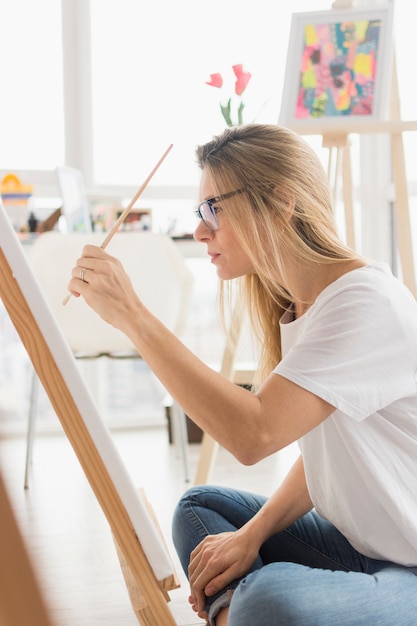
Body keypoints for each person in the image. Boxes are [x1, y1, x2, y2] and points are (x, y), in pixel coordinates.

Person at [68, 124, 417, 625]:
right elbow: (329, 457)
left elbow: (253, 435)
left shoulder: (364, 303)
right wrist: (250, 535)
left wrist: (133, 317)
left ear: (281, 203)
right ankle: (238, 614)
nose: (200, 230)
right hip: (360, 550)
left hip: (409, 569)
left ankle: (240, 612)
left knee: (268, 599)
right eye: (199, 212)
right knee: (200, 508)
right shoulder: (301, 307)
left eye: (215, 209)